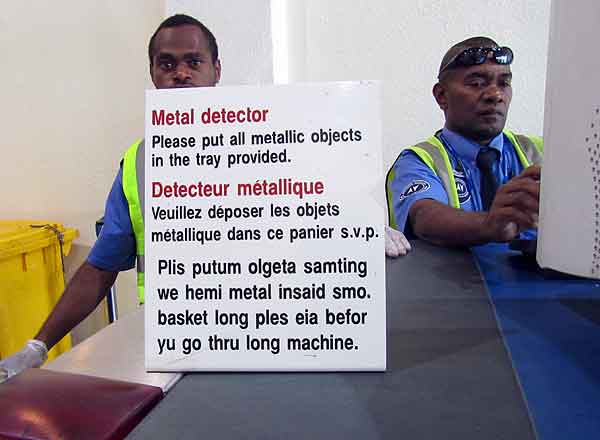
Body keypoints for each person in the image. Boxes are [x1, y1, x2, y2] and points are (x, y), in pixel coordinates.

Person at [0, 14, 409, 382]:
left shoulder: (279, 139)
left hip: (274, 341)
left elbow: (321, 208)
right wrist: (38, 346)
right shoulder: (137, 164)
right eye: (167, 63)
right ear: (153, 75)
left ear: (216, 71)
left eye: (193, 62)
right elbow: (99, 269)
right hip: (178, 354)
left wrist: (357, 224)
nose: (180, 73)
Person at [386, 36, 543, 247]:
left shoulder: (544, 152)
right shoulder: (419, 161)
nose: (495, 94)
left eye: (504, 83)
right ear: (442, 96)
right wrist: (490, 224)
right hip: (452, 280)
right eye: (477, 83)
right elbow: (424, 217)